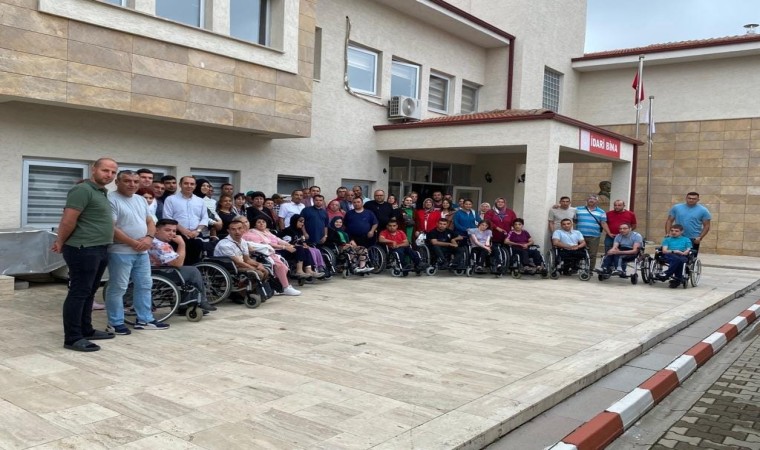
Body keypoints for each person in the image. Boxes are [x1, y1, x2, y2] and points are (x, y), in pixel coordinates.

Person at [52, 158, 118, 352]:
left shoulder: (101, 192)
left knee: (90, 291)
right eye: (105, 170)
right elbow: (68, 220)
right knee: (79, 292)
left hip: (99, 248)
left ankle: (86, 330)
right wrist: (60, 241)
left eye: (113, 172)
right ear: (94, 169)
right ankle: (73, 338)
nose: (109, 175)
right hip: (83, 248)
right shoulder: (82, 190)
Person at [105, 170, 169, 333]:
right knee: (119, 287)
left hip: (141, 252)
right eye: (127, 181)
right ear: (117, 182)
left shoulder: (140, 199)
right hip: (120, 251)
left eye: (135, 181)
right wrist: (133, 242)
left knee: (145, 285)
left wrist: (149, 238)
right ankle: (115, 323)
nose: (132, 184)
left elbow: (150, 222)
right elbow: (111, 227)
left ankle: (145, 319)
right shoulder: (110, 199)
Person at [148, 219, 217, 311]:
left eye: (174, 231)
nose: (172, 234)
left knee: (187, 271)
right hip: (161, 274)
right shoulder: (160, 245)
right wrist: (181, 244)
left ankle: (187, 303)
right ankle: (201, 301)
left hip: (155, 272)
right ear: (156, 230)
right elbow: (178, 264)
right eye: (167, 230)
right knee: (192, 271)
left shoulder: (152, 241)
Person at [243, 217, 302, 295]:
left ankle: (277, 287)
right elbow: (266, 244)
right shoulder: (252, 233)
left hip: (270, 251)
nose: (261, 224)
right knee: (280, 266)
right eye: (259, 222)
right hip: (262, 254)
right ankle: (286, 287)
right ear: (254, 224)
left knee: (285, 266)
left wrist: (289, 245)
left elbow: (277, 240)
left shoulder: (266, 231)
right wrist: (284, 247)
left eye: (263, 222)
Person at [162, 176, 208, 265]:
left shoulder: (200, 201)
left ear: (195, 186)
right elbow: (168, 218)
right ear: (180, 185)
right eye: (186, 183)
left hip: (196, 235)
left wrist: (197, 231)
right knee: (178, 262)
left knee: (196, 262)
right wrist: (184, 231)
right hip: (178, 235)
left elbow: (204, 218)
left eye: (192, 184)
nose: (189, 186)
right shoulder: (171, 199)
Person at [279, 214, 325, 278]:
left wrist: (304, 244)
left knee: (306, 249)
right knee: (301, 248)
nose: (302, 224)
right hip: (286, 250)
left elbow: (301, 241)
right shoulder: (287, 231)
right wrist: (298, 245)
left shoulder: (299, 231)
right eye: (300, 222)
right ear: (295, 221)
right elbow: (287, 243)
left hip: (296, 249)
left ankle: (309, 270)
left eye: (303, 222)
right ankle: (299, 271)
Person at [574, 194, 610, 270]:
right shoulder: (578, 209)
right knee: (576, 251)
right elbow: (571, 215)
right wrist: (557, 206)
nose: (591, 200)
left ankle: (590, 269)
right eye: (590, 198)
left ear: (597, 201)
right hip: (579, 235)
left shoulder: (601, 212)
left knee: (592, 254)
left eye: (594, 199)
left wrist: (609, 233)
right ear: (587, 200)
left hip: (594, 236)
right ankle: (575, 268)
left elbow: (603, 223)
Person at [658, 224, 693, 288]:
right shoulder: (667, 239)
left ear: (681, 232)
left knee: (681, 260)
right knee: (677, 259)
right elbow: (664, 251)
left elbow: (688, 249)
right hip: (669, 254)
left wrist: (686, 251)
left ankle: (668, 274)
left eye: (676, 231)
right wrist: (675, 251)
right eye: (672, 231)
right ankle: (677, 279)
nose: (673, 232)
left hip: (682, 255)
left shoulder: (686, 239)